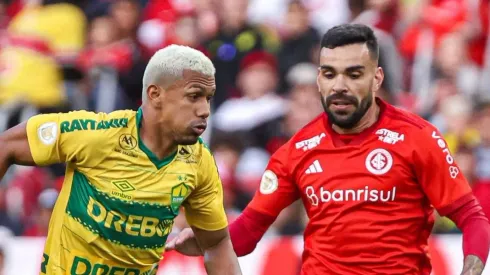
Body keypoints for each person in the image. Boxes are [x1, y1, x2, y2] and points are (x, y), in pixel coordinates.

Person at [166, 24, 490, 275]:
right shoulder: (298, 149)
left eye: (353, 74)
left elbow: (472, 218)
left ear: (377, 78)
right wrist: (209, 239)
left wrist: (470, 269)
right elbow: (250, 229)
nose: (339, 87)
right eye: (329, 74)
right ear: (319, 79)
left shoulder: (418, 138)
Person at [0, 45, 242, 275]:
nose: (204, 110)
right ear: (155, 94)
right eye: (194, 96)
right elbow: (6, 145)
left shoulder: (199, 162)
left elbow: (216, 243)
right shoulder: (96, 135)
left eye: (208, 98)